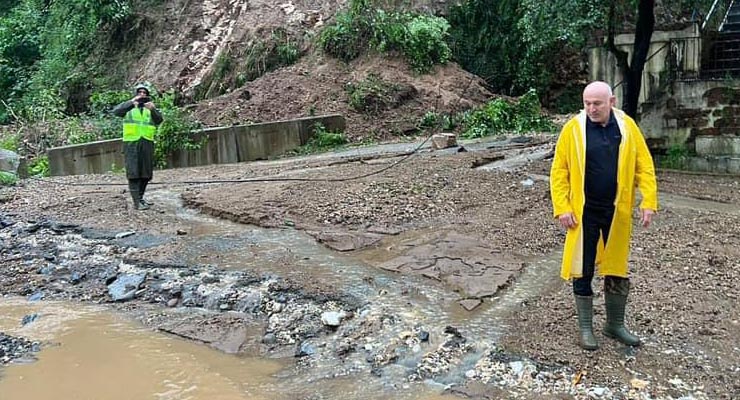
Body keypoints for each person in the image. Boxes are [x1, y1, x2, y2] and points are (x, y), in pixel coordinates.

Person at [549, 81, 658, 351]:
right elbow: (558, 171)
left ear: (612, 101)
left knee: (617, 266)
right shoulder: (573, 129)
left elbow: (644, 165)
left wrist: (648, 201)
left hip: (616, 211)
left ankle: (615, 325)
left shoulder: (627, 126)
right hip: (583, 213)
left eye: (597, 103)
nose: (591, 108)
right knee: (582, 268)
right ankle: (586, 328)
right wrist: (562, 207)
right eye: (587, 103)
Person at [112, 83, 163, 210]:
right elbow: (116, 112)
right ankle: (136, 202)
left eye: (144, 93)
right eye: (139, 92)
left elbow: (159, 120)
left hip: (147, 142)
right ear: (135, 94)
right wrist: (131, 102)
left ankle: (140, 198)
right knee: (134, 172)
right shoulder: (129, 107)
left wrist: (153, 109)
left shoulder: (149, 109)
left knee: (146, 172)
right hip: (131, 143)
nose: (142, 95)